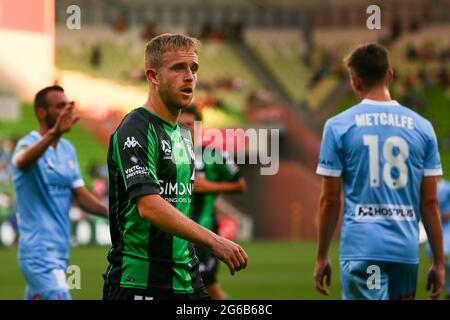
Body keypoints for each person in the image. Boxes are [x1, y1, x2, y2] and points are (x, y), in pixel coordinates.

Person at [102, 33, 248, 300]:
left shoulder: (182, 133)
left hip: (187, 279)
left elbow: (180, 204)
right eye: (178, 68)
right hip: (141, 282)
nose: (190, 76)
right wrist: (215, 240)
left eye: (194, 68)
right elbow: (149, 206)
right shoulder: (135, 127)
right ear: (153, 76)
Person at [313, 43, 445, 300]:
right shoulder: (423, 127)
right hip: (405, 252)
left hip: (363, 249)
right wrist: (439, 263)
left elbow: (330, 199)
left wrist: (321, 256)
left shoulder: (338, 126)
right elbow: (429, 202)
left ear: (355, 82)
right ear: (390, 75)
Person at [11, 85, 108, 300]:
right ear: (41, 112)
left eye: (67, 105)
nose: (66, 110)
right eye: (59, 106)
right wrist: (53, 133)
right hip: (37, 252)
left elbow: (81, 196)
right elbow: (21, 162)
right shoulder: (27, 144)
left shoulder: (67, 149)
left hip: (60, 251)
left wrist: (113, 213)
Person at [179, 105, 247, 300]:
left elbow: (240, 185)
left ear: (199, 127)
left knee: (209, 290)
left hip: (204, 233)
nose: (185, 128)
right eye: (181, 123)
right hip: (175, 234)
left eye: (190, 124)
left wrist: (210, 186)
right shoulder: (168, 153)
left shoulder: (214, 154)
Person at [426, 178, 450, 299]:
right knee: (434, 257)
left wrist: (445, 215)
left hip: (446, 227)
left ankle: (447, 287)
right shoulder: (426, 185)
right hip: (433, 226)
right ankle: (441, 287)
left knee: (442, 255)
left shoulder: (446, 187)